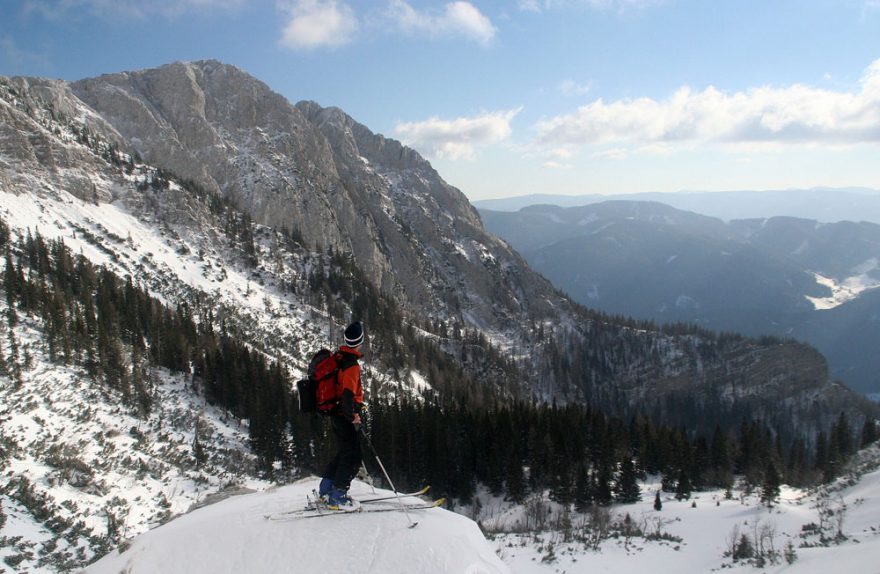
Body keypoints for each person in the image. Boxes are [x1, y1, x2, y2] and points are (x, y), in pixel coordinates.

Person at [318, 321, 365, 508]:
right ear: (359, 341)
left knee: (344, 452)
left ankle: (325, 489)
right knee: (354, 457)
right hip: (344, 415)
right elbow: (348, 394)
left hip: (334, 412)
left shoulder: (338, 356)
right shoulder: (351, 365)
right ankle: (338, 496)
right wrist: (353, 415)